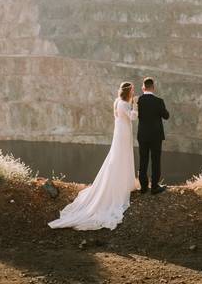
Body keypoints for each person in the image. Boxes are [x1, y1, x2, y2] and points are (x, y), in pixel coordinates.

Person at [48, 81, 139, 230]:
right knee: (121, 157)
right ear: (128, 91)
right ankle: (119, 185)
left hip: (121, 131)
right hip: (123, 132)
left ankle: (125, 182)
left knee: (119, 157)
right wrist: (135, 105)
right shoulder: (123, 103)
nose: (133, 92)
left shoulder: (118, 101)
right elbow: (133, 117)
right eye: (132, 90)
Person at [136, 77, 170, 194]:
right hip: (156, 136)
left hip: (143, 135)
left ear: (143, 87)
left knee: (143, 160)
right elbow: (166, 116)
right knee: (156, 161)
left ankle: (143, 187)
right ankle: (155, 187)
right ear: (153, 88)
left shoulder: (138, 101)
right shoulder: (159, 101)